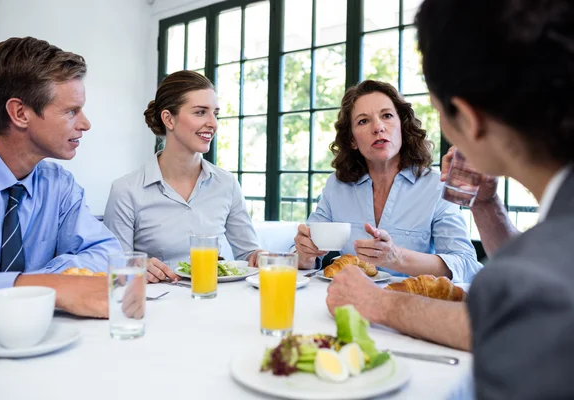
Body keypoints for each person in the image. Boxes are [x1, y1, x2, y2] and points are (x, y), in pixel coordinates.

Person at [327, 0, 574, 397]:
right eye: (364, 121)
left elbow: (513, 307)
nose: (379, 128)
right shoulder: (549, 244)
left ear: (468, 118)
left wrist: (378, 303)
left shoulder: (531, 284)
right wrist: (486, 204)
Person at [0, 37, 123, 325]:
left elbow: (108, 253)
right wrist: (47, 287)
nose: (85, 123)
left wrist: (44, 280)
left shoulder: (59, 186)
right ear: (20, 113)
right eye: (71, 111)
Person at [294, 80, 481, 282]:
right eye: (363, 121)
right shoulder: (337, 186)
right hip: (348, 302)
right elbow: (304, 258)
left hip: (413, 305)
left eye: (387, 116)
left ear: (402, 126)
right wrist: (305, 254)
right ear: (352, 141)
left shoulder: (435, 187)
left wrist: (397, 257)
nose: (378, 127)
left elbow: (466, 264)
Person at [104, 70, 263, 283]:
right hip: (155, 307)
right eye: (200, 112)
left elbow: (248, 255)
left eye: (215, 113)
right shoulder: (126, 190)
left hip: (213, 300)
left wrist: (259, 257)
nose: (213, 123)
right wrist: (136, 266)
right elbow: (115, 268)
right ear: (169, 119)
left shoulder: (226, 184)